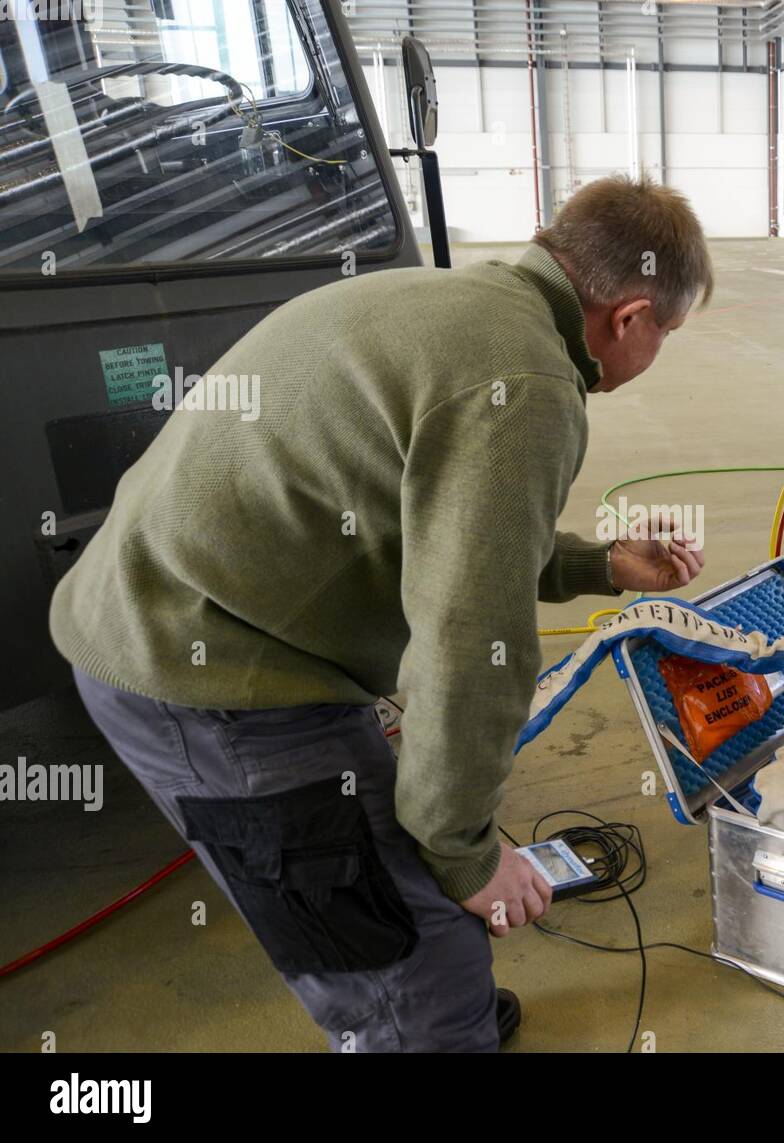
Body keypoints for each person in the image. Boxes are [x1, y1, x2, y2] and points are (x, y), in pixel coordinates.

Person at [49, 174, 711, 1051]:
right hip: (198, 663)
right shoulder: (530, 382)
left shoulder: (458, 303)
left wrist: (597, 562)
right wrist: (467, 858)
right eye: (666, 330)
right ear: (628, 317)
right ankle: (425, 1020)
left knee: (421, 893)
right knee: (416, 968)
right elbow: (472, 645)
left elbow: (446, 538)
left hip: (172, 601)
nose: (657, 346)